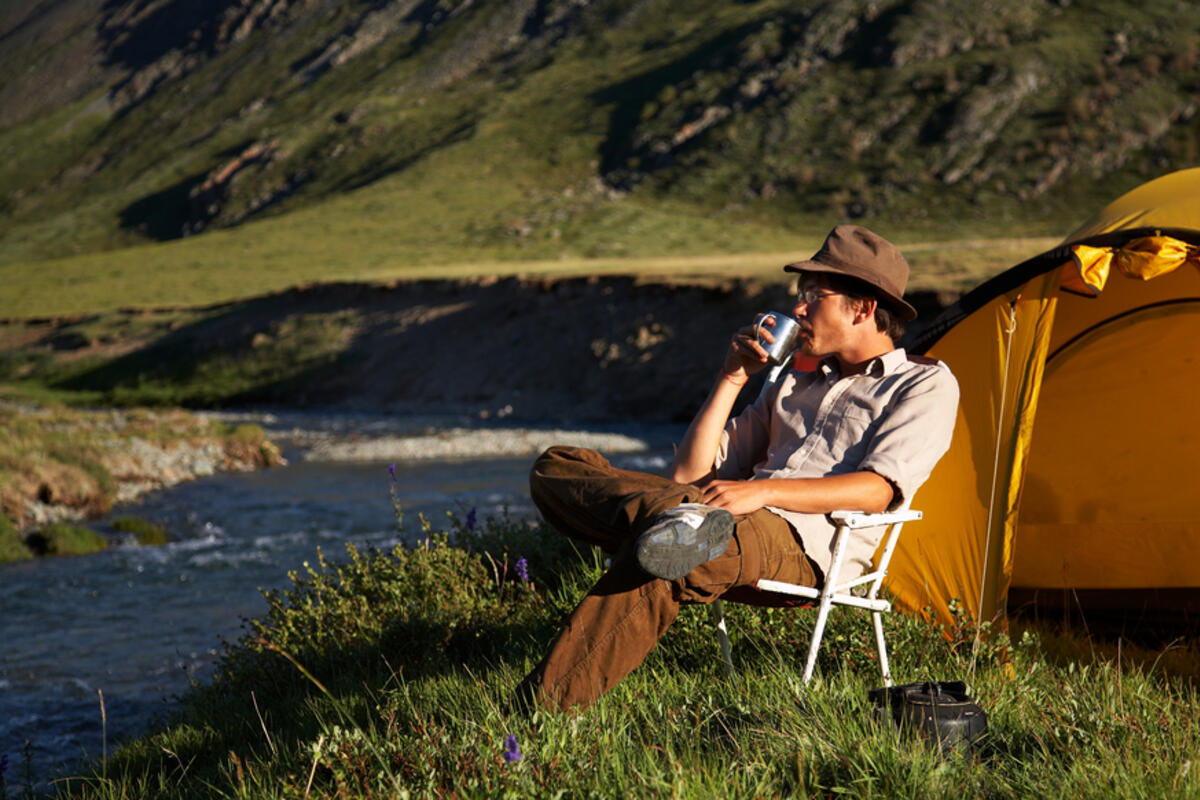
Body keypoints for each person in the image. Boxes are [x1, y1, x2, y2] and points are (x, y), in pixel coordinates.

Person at [516, 224, 959, 712]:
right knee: (557, 466)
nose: (799, 308)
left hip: (804, 544)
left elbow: (878, 489)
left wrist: (762, 494)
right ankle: (675, 526)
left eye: (815, 295)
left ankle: (541, 710)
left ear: (864, 307)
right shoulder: (793, 383)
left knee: (676, 552)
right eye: (800, 295)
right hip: (722, 518)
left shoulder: (922, 385)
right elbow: (688, 474)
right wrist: (732, 377)